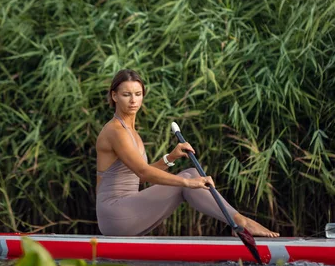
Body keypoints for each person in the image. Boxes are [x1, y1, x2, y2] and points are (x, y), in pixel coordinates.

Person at [96, 69, 279, 237]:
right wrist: (188, 183)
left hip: (128, 208)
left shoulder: (131, 130)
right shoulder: (115, 131)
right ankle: (240, 222)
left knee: (191, 175)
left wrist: (170, 157)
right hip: (115, 213)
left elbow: (139, 178)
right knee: (191, 175)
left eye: (138, 94)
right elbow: (143, 172)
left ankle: (239, 222)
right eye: (126, 95)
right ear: (114, 96)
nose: (133, 100)